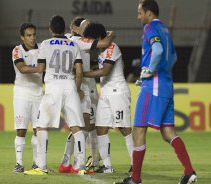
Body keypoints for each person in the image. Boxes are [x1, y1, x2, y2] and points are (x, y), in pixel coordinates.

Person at [115, 0, 197, 184]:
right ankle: (189, 172)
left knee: (138, 130)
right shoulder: (165, 30)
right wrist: (157, 71)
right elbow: (173, 57)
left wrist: (150, 71)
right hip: (167, 85)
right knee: (168, 132)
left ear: (148, 12)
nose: (138, 16)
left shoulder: (150, 28)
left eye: (139, 12)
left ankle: (135, 179)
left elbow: (158, 51)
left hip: (153, 86)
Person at [24, 15, 87, 175]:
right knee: (76, 127)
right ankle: (80, 166)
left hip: (53, 87)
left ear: (50, 29)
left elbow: (40, 68)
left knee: (41, 126)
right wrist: (77, 89)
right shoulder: (73, 45)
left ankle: (41, 166)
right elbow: (79, 72)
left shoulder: (45, 44)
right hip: (69, 86)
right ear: (64, 28)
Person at [59, 17, 115, 173]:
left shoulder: (67, 39)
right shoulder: (79, 40)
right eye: (85, 26)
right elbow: (104, 43)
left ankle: (72, 161)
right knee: (83, 127)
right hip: (79, 86)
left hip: (75, 85)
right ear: (74, 28)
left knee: (83, 126)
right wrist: (112, 34)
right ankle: (78, 163)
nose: (88, 29)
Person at [83, 22, 134, 174]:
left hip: (118, 93)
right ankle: (107, 166)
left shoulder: (113, 48)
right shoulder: (103, 49)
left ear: (99, 38)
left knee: (124, 128)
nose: (92, 44)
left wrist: (84, 74)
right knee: (101, 128)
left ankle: (135, 163)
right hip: (105, 93)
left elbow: (105, 71)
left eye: (93, 40)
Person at [11, 23, 43, 173]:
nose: (32, 38)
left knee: (38, 129)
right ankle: (19, 163)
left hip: (38, 94)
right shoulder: (17, 50)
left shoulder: (42, 49)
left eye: (34, 35)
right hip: (22, 94)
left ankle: (36, 163)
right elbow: (22, 68)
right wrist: (39, 68)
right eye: (28, 35)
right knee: (21, 129)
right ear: (22, 37)